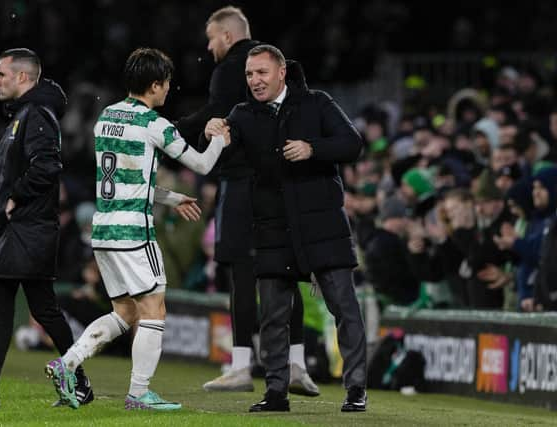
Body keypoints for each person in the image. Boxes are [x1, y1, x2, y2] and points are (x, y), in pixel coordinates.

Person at [44, 47, 230, 410]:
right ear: (156, 84)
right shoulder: (154, 124)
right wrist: (220, 138)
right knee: (155, 310)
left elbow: (123, 180)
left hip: (103, 230)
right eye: (167, 83)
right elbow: (203, 165)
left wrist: (172, 198)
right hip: (134, 232)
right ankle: (139, 393)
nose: (169, 90)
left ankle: (66, 364)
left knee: (126, 313)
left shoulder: (106, 117)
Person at [206, 45, 366, 413]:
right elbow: (223, 161)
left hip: (321, 223)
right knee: (273, 316)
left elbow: (352, 143)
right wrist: (214, 134)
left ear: (281, 73)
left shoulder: (316, 103)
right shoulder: (243, 114)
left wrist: (313, 148)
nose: (255, 81)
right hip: (273, 226)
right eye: (249, 74)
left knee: (344, 307)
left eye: (261, 73)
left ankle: (356, 388)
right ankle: (276, 391)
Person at [0, 48, 94, 409]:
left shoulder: (36, 115)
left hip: (25, 230)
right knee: (41, 310)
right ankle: (76, 383)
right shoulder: (25, 115)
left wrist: (14, 197)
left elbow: (47, 166)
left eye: (1, 75)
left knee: (8, 311)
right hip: (21, 231)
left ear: (23, 77)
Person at [179, 5, 318, 396]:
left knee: (241, 272)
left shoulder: (231, 69)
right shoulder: (281, 66)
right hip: (280, 183)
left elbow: (215, 115)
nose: (209, 48)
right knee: (285, 271)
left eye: (211, 38)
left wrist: (171, 131)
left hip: (240, 184)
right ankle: (295, 364)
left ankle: (241, 366)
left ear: (226, 36)